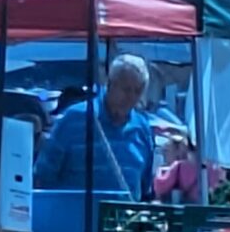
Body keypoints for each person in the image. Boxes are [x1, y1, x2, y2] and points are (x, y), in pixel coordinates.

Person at [37, 55, 157, 200]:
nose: (131, 97)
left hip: (124, 220)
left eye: (137, 91)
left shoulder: (143, 129)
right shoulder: (73, 120)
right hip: (76, 218)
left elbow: (146, 188)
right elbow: (43, 176)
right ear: (110, 84)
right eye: (126, 89)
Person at [151, 130, 222, 205]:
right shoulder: (216, 168)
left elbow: (161, 187)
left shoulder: (179, 166)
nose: (164, 154)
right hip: (210, 206)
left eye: (166, 150)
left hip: (187, 208)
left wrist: (159, 172)